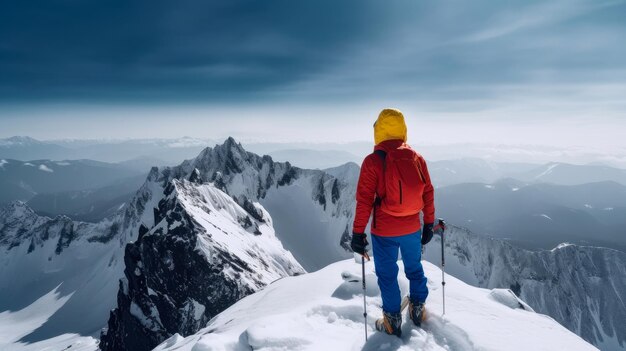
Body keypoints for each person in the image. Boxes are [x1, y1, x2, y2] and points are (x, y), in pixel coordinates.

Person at [351, 108, 435, 337]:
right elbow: (428, 192)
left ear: (378, 130)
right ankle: (417, 308)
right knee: (415, 269)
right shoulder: (417, 158)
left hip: (384, 231)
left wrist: (357, 233)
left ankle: (391, 320)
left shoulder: (372, 161)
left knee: (387, 275)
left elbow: (364, 201)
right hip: (411, 227)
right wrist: (428, 223)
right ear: (403, 128)